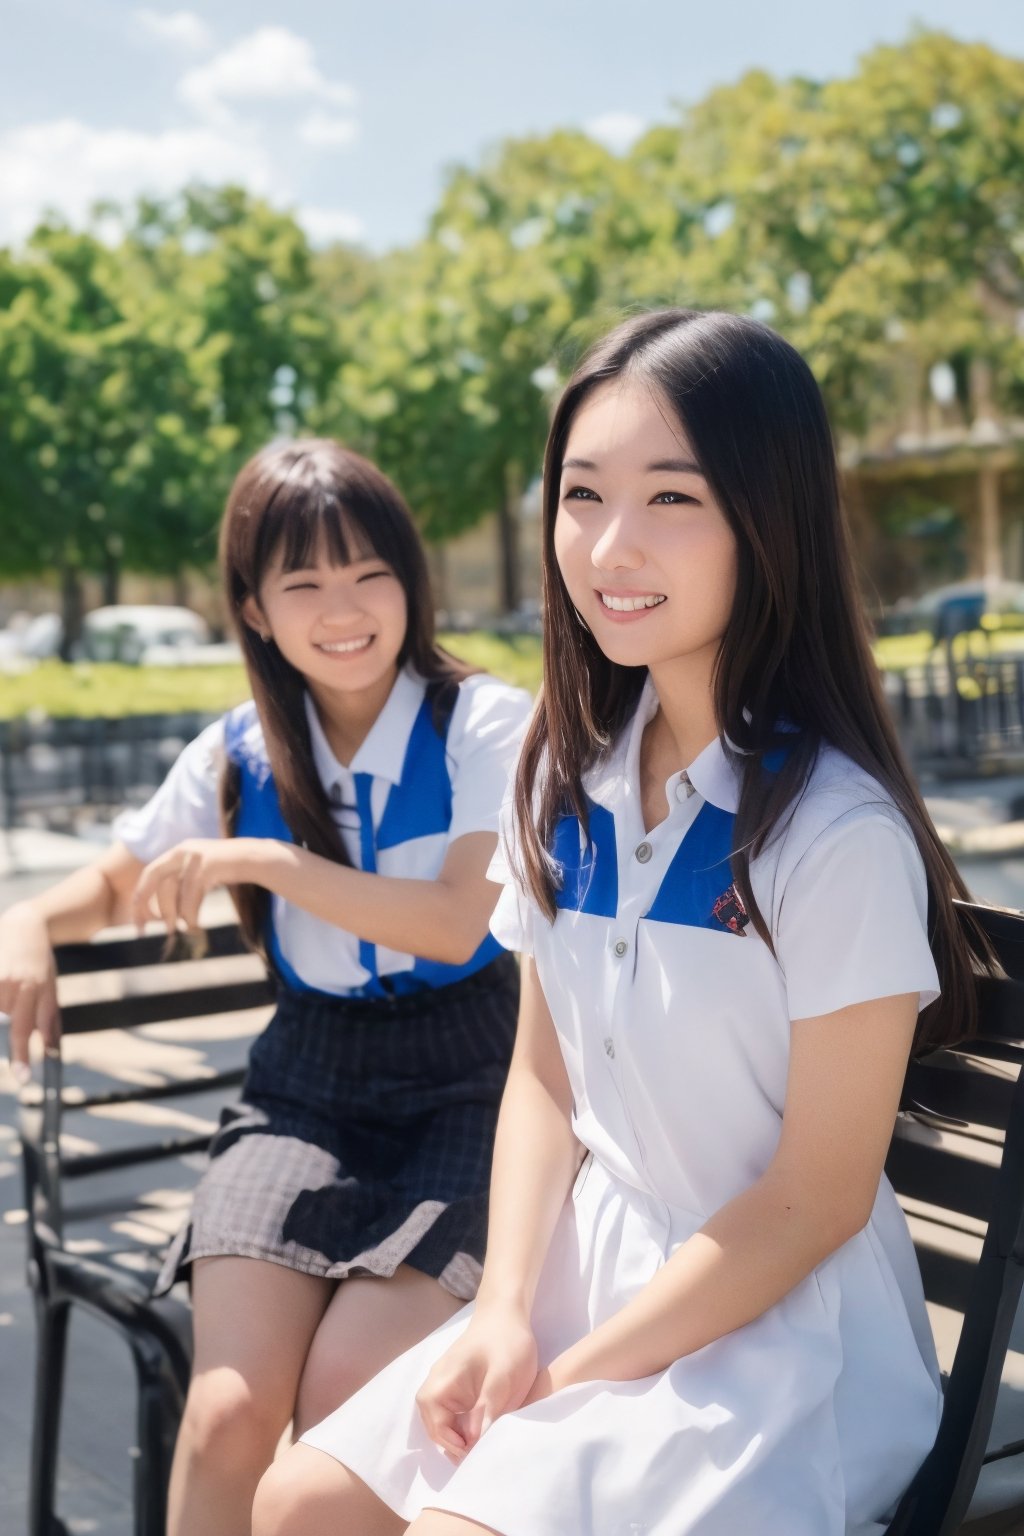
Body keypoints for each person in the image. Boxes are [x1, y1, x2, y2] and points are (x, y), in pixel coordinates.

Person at [251, 311, 992, 1536]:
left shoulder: (830, 833)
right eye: (582, 494)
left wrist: (573, 1376)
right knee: (293, 1506)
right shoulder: (563, 776)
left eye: (671, 499)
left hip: (778, 1346)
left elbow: (810, 1201)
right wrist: (498, 1313)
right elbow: (540, 1080)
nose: (608, 544)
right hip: (583, 1278)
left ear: (769, 521)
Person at [0, 439, 532, 1536]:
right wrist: (26, 920)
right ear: (253, 607)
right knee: (229, 1415)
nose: (344, 608)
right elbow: (117, 880)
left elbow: (451, 920)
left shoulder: (484, 722)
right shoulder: (241, 750)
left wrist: (269, 864)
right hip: (307, 1085)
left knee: (346, 1402)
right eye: (304, 582)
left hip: (474, 1087)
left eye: (368, 571)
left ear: (409, 579)